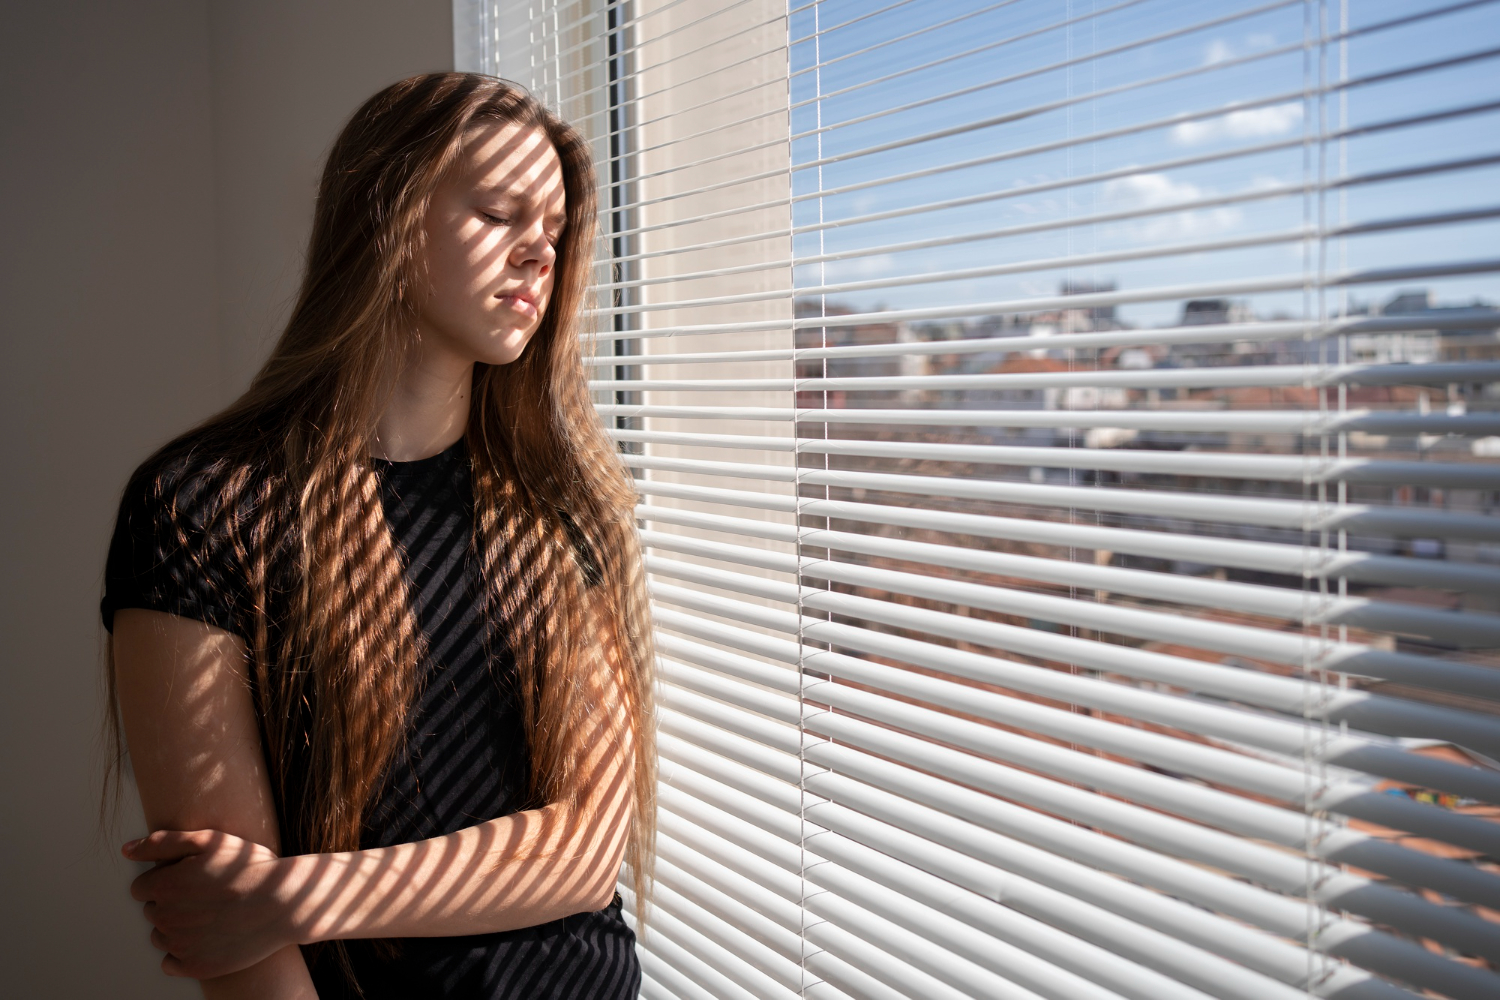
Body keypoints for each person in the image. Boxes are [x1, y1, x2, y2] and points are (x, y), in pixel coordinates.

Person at [100, 73, 655, 1000]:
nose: (537, 255)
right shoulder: (202, 509)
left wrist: (297, 898)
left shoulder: (556, 506)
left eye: (553, 232)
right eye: (498, 214)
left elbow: (590, 848)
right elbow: (233, 941)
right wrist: (270, 914)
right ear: (385, 216)